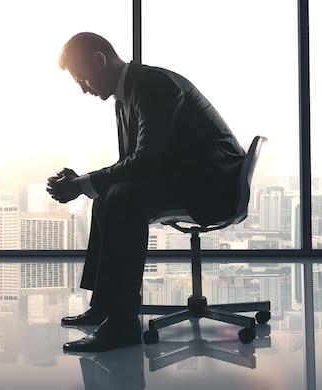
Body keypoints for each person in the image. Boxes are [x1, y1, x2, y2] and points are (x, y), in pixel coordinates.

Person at [47, 32, 246, 353]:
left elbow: (146, 162)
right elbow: (133, 163)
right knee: (106, 197)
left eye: (83, 78)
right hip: (188, 180)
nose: (84, 89)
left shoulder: (153, 86)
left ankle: (123, 323)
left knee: (122, 199)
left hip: (213, 189)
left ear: (99, 61)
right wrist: (83, 182)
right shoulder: (125, 98)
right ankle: (104, 307)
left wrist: (82, 183)